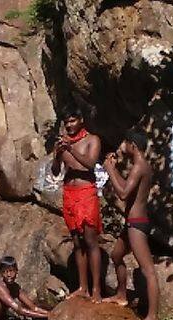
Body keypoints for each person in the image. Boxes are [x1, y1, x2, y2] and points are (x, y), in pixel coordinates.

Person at [101, 132, 161, 320]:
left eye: (125, 142)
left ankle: (152, 318)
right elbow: (126, 187)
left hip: (137, 223)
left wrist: (110, 170)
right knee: (116, 254)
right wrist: (114, 168)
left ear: (133, 145)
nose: (122, 146)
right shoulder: (140, 165)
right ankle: (121, 294)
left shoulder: (139, 166)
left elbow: (123, 193)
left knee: (148, 270)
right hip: (131, 222)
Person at [50, 106, 104, 302]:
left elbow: (89, 165)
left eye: (73, 121)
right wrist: (57, 155)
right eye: (66, 123)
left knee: (90, 241)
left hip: (86, 193)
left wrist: (71, 148)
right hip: (69, 193)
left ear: (81, 120)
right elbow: (56, 172)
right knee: (77, 242)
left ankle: (96, 290)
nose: (69, 126)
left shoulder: (92, 140)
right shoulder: (63, 144)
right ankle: (83, 287)